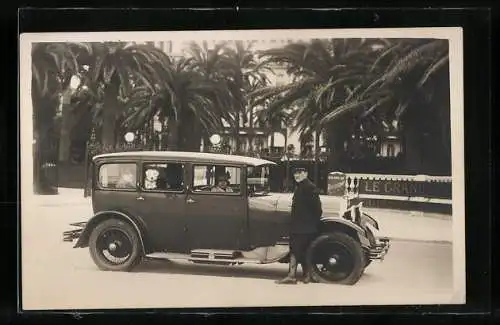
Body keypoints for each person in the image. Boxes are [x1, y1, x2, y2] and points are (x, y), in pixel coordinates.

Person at [276, 167, 323, 284]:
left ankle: (298, 276)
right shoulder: (301, 187)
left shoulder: (309, 188)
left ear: (306, 173)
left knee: (300, 251)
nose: (297, 175)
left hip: (305, 227)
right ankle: (299, 275)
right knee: (297, 250)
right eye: (295, 173)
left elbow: (317, 209)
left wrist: (311, 223)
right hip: (299, 226)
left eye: (300, 173)